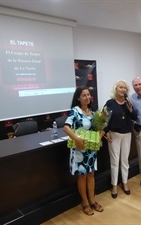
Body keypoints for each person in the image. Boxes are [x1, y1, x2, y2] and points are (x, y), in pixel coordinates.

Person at [63, 87, 105, 216]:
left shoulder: (92, 113)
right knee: (82, 176)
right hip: (79, 150)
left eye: (88, 95)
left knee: (91, 174)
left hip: (91, 149)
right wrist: (76, 138)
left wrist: (101, 133)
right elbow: (66, 127)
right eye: (84, 95)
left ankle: (92, 200)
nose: (87, 97)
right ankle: (85, 202)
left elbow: (97, 129)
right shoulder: (75, 111)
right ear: (78, 98)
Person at [103, 80, 137, 199]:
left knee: (124, 161)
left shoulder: (129, 103)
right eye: (120, 87)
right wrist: (106, 132)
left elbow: (135, 117)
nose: (123, 90)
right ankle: (114, 186)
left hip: (127, 134)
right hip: (114, 134)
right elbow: (104, 119)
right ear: (116, 89)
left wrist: (131, 109)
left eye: (124, 88)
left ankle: (125, 183)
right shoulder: (110, 103)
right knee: (114, 161)